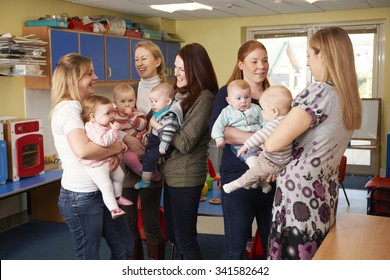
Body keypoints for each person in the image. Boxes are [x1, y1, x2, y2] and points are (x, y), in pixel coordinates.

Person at [264, 27, 362, 260]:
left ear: (324, 55)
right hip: (323, 192)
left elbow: (273, 143)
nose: (307, 62)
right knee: (317, 256)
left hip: (298, 193)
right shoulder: (347, 97)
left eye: (309, 55)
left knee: (293, 258)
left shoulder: (318, 93)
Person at [50, 53, 133, 259]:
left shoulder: (83, 106)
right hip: (81, 197)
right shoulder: (68, 109)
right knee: (89, 256)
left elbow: (101, 138)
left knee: (124, 247)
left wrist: (119, 147)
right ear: (73, 79)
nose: (96, 77)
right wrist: (117, 149)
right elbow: (84, 150)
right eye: (89, 74)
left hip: (99, 191)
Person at [209, 40, 275, 259]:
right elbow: (223, 133)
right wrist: (263, 140)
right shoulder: (226, 95)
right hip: (237, 177)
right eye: (254, 61)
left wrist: (271, 145)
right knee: (235, 251)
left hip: (271, 179)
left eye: (264, 60)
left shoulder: (274, 96)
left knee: (272, 250)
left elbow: (286, 136)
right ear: (240, 64)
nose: (261, 66)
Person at [160, 43, 219, 260]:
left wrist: (159, 128)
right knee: (175, 235)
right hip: (171, 174)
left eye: (181, 69)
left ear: (196, 69)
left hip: (186, 176)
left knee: (185, 239)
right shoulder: (181, 95)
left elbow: (185, 143)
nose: (176, 73)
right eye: (175, 67)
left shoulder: (205, 98)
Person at [120, 40, 166, 260]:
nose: (139, 63)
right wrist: (128, 137)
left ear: (157, 61)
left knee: (150, 225)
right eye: (136, 59)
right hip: (127, 167)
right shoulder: (130, 90)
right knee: (128, 225)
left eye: (144, 58)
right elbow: (112, 122)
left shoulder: (168, 91)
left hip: (152, 165)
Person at [222, 85, 293, 194]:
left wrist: (246, 145)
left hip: (272, 162)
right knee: (258, 161)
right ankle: (257, 183)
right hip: (283, 162)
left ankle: (234, 185)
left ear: (274, 111)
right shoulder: (289, 121)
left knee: (253, 172)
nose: (262, 113)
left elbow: (260, 135)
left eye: (263, 110)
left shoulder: (274, 123)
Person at [81, 95, 133, 220]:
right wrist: (114, 130)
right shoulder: (91, 126)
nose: (112, 116)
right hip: (95, 165)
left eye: (112, 112)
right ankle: (114, 209)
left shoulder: (105, 125)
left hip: (106, 160)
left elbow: (115, 139)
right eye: (107, 113)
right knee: (106, 186)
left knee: (120, 176)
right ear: (93, 117)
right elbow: (103, 142)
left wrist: (122, 144)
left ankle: (117, 197)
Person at [135, 82, 183, 190]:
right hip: (154, 141)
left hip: (162, 144)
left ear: (168, 101)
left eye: (156, 101)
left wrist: (163, 146)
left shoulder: (169, 115)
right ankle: (150, 171)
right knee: (145, 155)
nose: (152, 104)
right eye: (151, 101)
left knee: (148, 158)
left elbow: (169, 132)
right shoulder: (159, 111)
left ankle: (145, 181)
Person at [211, 79, 263, 175]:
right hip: (242, 146)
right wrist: (219, 138)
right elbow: (217, 126)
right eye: (238, 99)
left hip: (260, 145)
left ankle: (260, 181)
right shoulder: (227, 112)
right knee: (252, 160)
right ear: (229, 100)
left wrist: (267, 134)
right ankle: (257, 179)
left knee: (266, 162)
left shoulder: (256, 109)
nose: (243, 101)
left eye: (247, 97)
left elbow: (264, 123)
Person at [111, 84, 152, 178]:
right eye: (122, 101)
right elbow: (107, 128)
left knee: (150, 152)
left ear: (135, 101)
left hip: (141, 143)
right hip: (125, 148)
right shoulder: (112, 114)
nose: (127, 104)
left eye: (130, 101)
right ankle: (144, 173)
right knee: (129, 159)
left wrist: (131, 116)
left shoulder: (137, 113)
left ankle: (149, 171)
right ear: (115, 103)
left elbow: (142, 126)